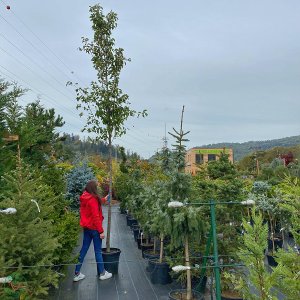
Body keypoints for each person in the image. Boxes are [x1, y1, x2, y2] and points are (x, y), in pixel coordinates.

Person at [73, 180, 112, 282]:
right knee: (98, 251)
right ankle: (102, 273)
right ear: (93, 188)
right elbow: (95, 217)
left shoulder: (85, 197)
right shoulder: (92, 199)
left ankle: (77, 273)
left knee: (83, 249)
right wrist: (101, 231)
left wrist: (105, 199)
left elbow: (96, 203)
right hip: (94, 229)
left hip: (87, 228)